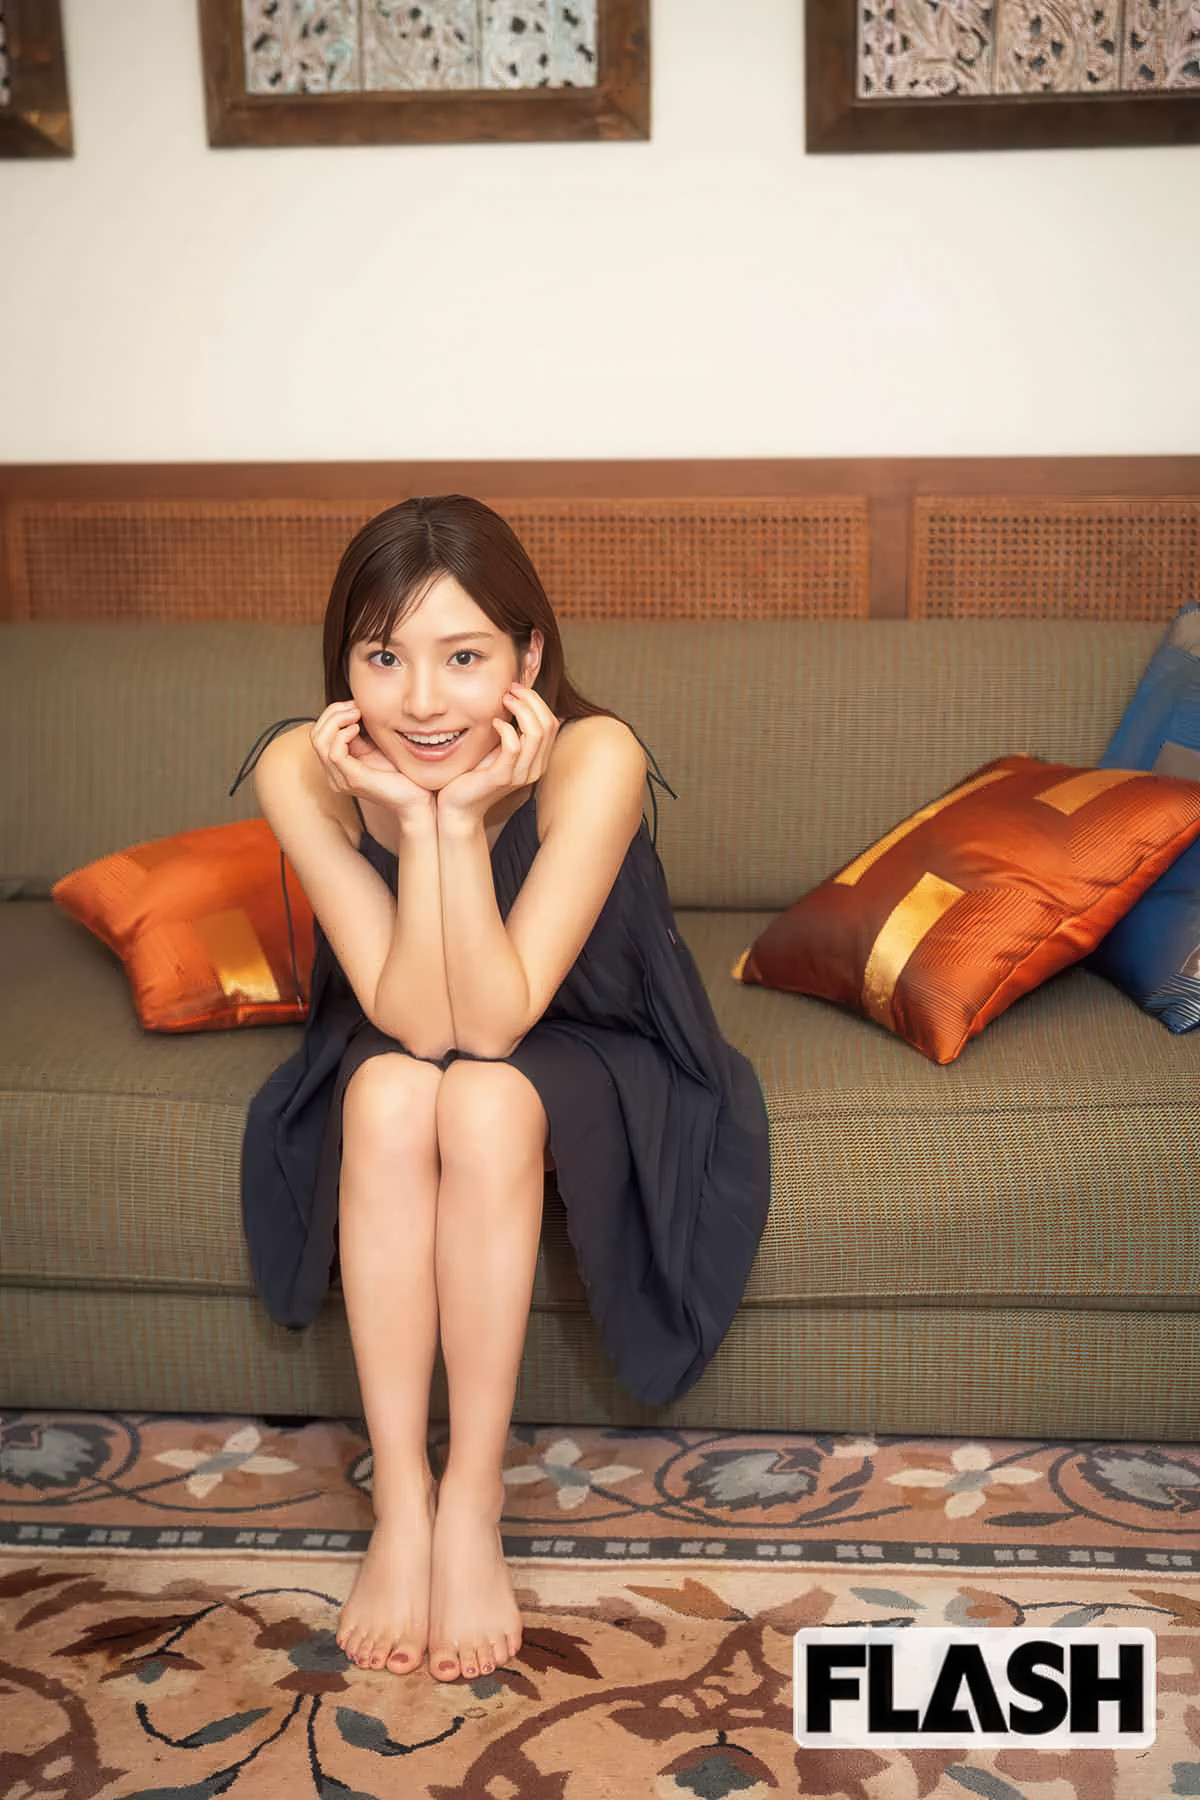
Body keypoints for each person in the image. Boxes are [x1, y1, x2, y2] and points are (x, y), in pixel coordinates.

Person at [230, 494, 771, 1687]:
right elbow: (420, 1025)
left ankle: (471, 1502)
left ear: (528, 657)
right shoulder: (301, 767)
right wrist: (408, 822)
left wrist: (459, 823)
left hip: (593, 1038)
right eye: (383, 658)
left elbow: (493, 1025)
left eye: (464, 658)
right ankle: (402, 1502)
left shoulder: (597, 754)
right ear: (343, 667)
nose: (422, 702)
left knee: (479, 1096)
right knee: (390, 1095)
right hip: (406, 1027)